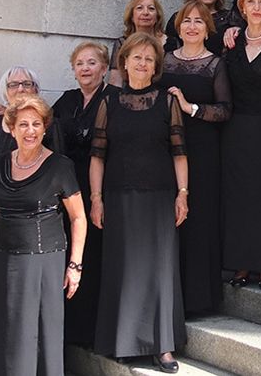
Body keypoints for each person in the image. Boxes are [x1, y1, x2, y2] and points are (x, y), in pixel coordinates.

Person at [89, 32, 188, 374]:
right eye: (137, 57)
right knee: (124, 269)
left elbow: (179, 152)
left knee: (160, 271)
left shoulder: (167, 101)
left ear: (156, 65)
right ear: (125, 62)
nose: (142, 63)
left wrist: (183, 194)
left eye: (149, 58)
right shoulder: (109, 102)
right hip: (118, 196)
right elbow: (98, 155)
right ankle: (124, 342)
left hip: (160, 197)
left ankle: (163, 347)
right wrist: (96, 199)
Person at [0, 94, 86, 376]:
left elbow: (78, 218)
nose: (30, 131)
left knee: (34, 332)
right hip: (2, 259)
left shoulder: (60, 166)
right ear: (10, 128)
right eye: (23, 124)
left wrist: (75, 265)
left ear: (45, 128)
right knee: (3, 331)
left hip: (43, 262)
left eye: (36, 124)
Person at [163, 1, 233, 315]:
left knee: (199, 219)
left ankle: (199, 300)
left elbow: (225, 110)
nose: (192, 26)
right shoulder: (163, 61)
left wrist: (190, 107)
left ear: (208, 28)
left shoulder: (215, 64)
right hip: (166, 148)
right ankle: (169, 296)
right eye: (186, 21)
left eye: (198, 21)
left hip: (203, 149)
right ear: (178, 27)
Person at [52, 42, 117, 346]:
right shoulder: (66, 101)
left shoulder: (114, 98)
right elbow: (38, 125)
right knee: (70, 254)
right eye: (80, 63)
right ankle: (70, 329)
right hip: (67, 189)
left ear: (104, 69)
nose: (86, 68)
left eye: (92, 63)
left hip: (102, 187)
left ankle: (92, 331)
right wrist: (7, 111)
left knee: (95, 255)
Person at [222, 0, 261, 289]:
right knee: (240, 196)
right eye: (250, 1)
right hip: (236, 129)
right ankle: (242, 264)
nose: (256, 7)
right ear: (242, 7)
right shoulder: (231, 41)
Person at [0, 66, 65, 176]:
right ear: (5, 91)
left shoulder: (49, 124)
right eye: (13, 85)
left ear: (35, 90)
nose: (20, 89)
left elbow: (58, 169)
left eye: (27, 84)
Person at [110, 0, 168, 86]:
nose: (145, 13)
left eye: (151, 8)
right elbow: (115, 82)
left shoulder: (170, 43)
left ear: (157, 16)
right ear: (132, 16)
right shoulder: (122, 43)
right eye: (139, 8)